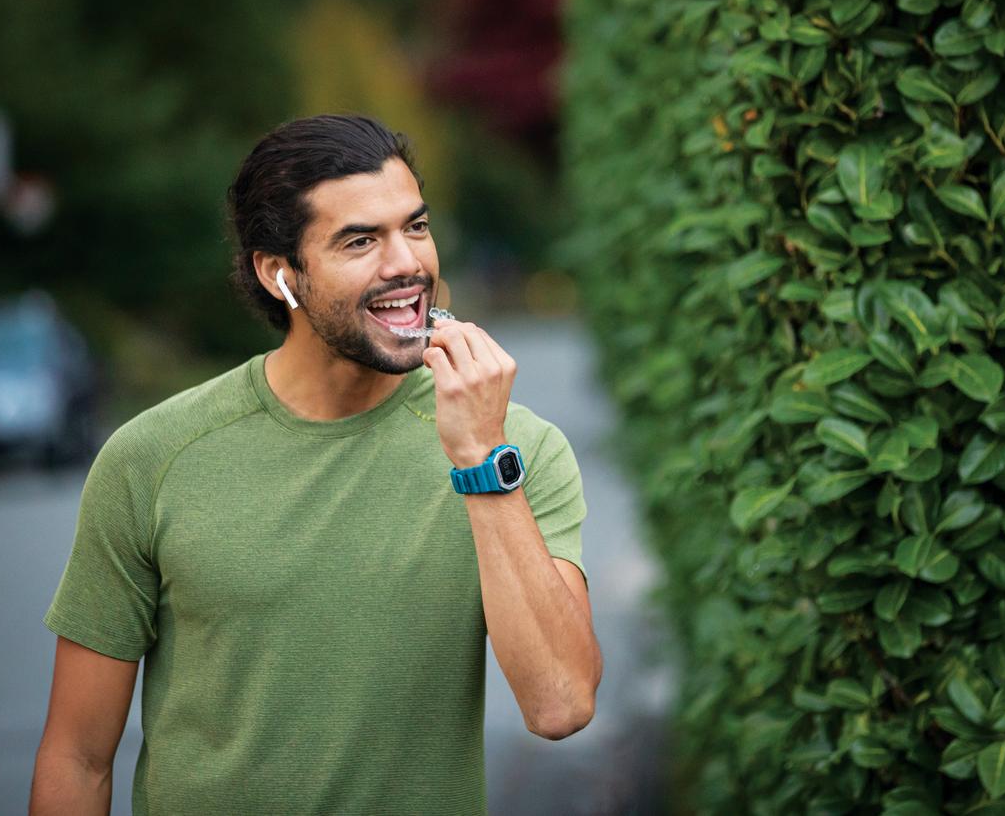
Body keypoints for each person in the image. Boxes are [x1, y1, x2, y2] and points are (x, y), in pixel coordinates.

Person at [29, 114, 602, 815]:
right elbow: (78, 757)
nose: (407, 264)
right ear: (280, 274)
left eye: (415, 227)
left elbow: (562, 703)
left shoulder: (515, 450)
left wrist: (481, 459)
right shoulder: (151, 458)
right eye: (361, 240)